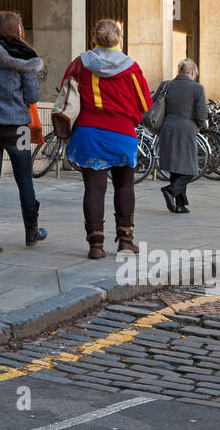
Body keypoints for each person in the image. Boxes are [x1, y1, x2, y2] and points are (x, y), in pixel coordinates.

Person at [60, 19, 151, 259]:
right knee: (124, 185)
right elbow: (145, 103)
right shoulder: (131, 68)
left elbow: (65, 93)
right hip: (122, 134)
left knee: (94, 188)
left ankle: (96, 245)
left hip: (89, 133)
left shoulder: (80, 64)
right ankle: (125, 240)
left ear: (94, 38)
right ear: (118, 39)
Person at [0, 11, 44, 254]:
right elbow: (33, 96)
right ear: (16, 29)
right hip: (18, 129)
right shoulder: (25, 58)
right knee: (24, 178)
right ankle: (31, 233)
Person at [156, 59, 208, 214]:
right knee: (191, 170)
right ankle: (171, 190)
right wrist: (201, 125)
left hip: (167, 129)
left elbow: (154, 104)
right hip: (186, 130)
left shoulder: (166, 85)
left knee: (176, 169)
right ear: (192, 72)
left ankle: (180, 204)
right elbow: (201, 113)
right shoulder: (197, 88)